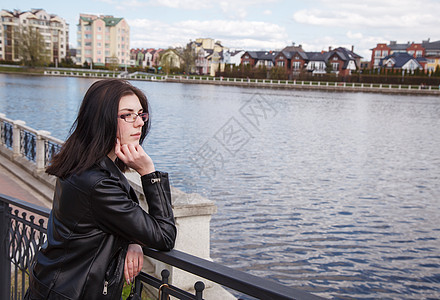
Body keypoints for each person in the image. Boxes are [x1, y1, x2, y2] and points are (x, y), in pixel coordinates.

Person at [25, 79, 177, 299]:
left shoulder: (83, 164)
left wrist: (132, 239)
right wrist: (149, 173)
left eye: (141, 113)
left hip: (53, 287)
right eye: (128, 115)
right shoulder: (97, 183)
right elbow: (164, 236)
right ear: (101, 119)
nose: (140, 123)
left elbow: (110, 219)